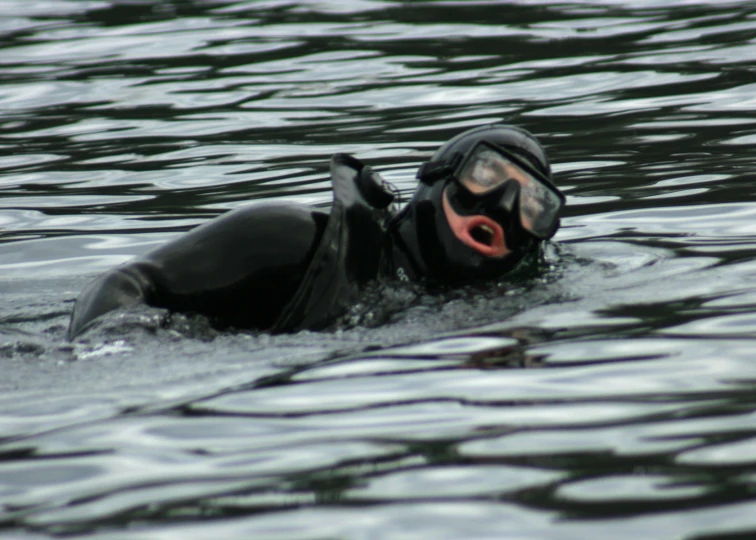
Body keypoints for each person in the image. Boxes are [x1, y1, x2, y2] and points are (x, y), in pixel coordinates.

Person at [67, 124, 565, 339]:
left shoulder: (487, 314)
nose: (501, 207)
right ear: (435, 180)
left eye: (533, 207)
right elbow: (126, 284)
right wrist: (107, 354)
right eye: (485, 174)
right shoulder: (290, 238)